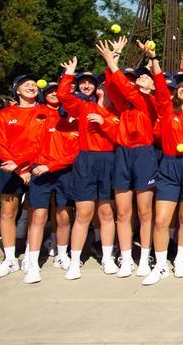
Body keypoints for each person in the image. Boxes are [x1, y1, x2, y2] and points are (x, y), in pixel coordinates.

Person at [139, 44, 183, 286]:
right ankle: (160, 266)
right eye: (180, 87)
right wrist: (154, 59)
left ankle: (180, 259)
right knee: (161, 220)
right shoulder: (168, 112)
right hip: (169, 167)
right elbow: (160, 86)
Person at [96, 38, 159, 278]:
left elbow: (127, 87)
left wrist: (113, 62)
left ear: (153, 85)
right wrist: (114, 59)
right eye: (138, 76)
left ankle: (144, 257)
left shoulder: (148, 102)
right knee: (123, 212)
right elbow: (114, 86)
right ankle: (125, 257)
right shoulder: (126, 104)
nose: (141, 78)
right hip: (122, 154)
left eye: (145, 76)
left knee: (144, 212)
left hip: (143, 154)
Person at [56, 57, 121, 280]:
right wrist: (70, 73)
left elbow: (122, 135)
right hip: (86, 161)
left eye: (107, 85)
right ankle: (74, 262)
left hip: (109, 161)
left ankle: (108, 257)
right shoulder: (84, 106)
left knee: (106, 212)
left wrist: (105, 124)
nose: (103, 87)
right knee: (83, 213)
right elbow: (63, 97)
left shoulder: (118, 114)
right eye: (100, 85)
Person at [0, 74, 49, 279]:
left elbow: (42, 143)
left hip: (35, 168)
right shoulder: (5, 114)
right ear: (17, 90)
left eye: (34, 84)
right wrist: (18, 169)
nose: (31, 87)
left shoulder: (45, 112)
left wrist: (25, 165)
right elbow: (1, 144)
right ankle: (10, 259)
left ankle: (31, 260)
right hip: (9, 168)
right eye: (26, 84)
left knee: (36, 214)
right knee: (7, 212)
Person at [21, 82, 79, 283]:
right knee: (38, 216)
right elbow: (29, 144)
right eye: (50, 92)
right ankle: (33, 263)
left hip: (64, 173)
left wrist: (51, 166)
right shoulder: (37, 115)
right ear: (44, 95)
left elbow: (74, 154)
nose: (54, 94)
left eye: (57, 91)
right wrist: (23, 166)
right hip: (40, 171)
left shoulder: (72, 119)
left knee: (63, 217)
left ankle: (62, 255)